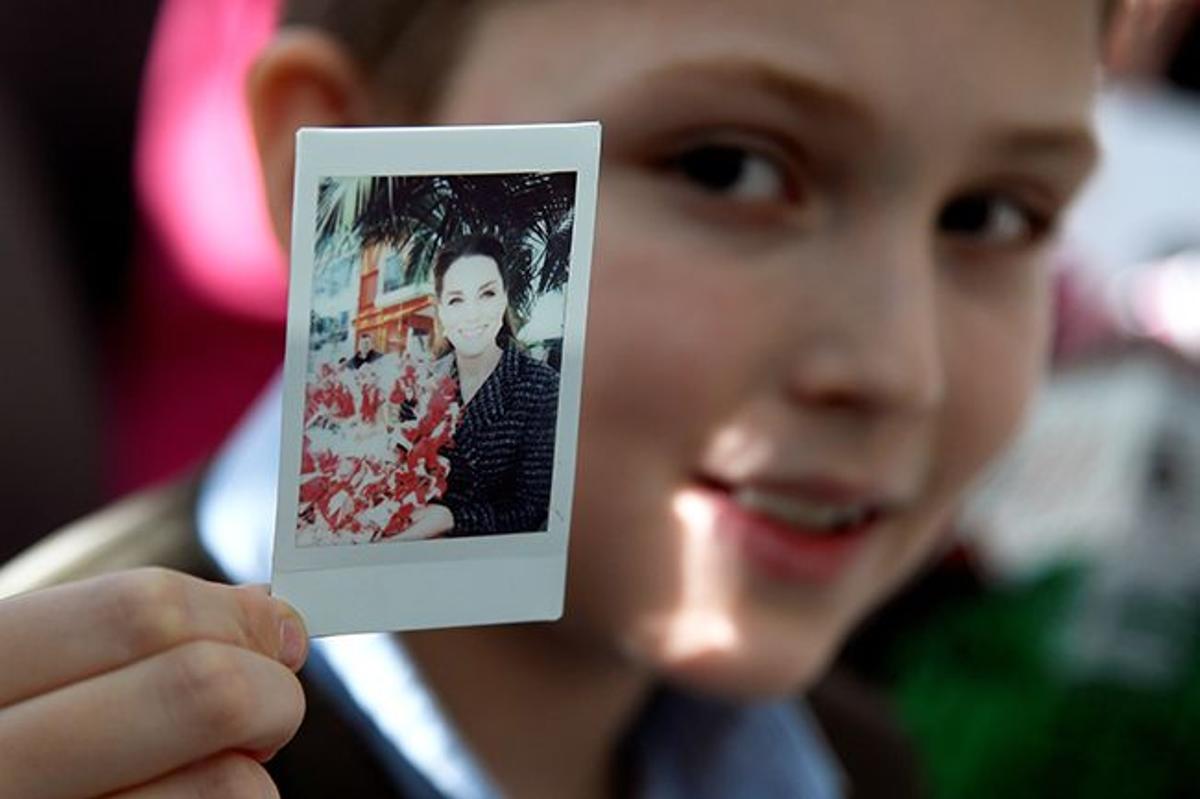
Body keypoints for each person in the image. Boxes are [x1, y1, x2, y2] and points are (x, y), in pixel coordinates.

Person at [0, 0, 1114, 797]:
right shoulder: (76, 751)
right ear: (337, 160)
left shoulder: (858, 759)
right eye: (727, 167)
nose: (897, 370)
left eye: (993, 215)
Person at [403, 234, 558, 539]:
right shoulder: (419, 387)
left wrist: (452, 518)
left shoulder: (542, 388)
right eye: (456, 299)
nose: (472, 313)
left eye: (486, 294)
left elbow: (532, 507)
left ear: (503, 299)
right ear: (442, 311)